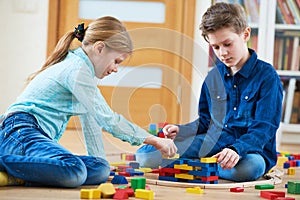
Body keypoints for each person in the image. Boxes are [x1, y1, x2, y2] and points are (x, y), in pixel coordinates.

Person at [0, 16, 177, 187]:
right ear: (100, 48)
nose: (116, 69)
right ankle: (10, 166)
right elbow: (109, 120)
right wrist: (154, 140)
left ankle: (19, 174)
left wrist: (100, 160)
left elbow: (91, 123)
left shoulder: (84, 73)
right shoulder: (77, 71)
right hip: (19, 132)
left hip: (30, 136)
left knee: (100, 169)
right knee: (74, 170)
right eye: (116, 61)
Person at [136, 2, 283, 182]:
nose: (222, 53)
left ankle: (197, 165)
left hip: (250, 150)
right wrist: (182, 130)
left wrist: (237, 149)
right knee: (145, 155)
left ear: (245, 34)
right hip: (213, 142)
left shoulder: (267, 76)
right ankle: (206, 165)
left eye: (228, 44)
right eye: (216, 47)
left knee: (248, 169)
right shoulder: (213, 77)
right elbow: (206, 121)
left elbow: (264, 128)